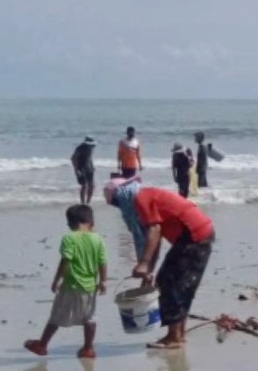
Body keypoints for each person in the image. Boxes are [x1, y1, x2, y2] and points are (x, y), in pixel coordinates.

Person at [106, 179, 215, 350]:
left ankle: (174, 338)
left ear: (122, 194)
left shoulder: (141, 199)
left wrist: (144, 263)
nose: (119, 207)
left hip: (193, 234)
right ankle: (179, 334)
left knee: (170, 285)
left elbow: (154, 230)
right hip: (198, 233)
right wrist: (148, 270)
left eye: (115, 202)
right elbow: (155, 240)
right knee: (181, 284)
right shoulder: (146, 197)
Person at [23, 204, 108, 358]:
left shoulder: (69, 238)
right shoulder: (98, 239)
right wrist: (103, 281)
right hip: (90, 286)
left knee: (56, 316)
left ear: (71, 223)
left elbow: (66, 260)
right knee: (90, 318)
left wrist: (57, 279)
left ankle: (42, 344)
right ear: (91, 221)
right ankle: (88, 348)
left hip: (71, 285)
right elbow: (102, 262)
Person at [71, 136, 96, 204]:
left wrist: (92, 165)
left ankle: (88, 202)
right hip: (81, 168)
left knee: (92, 185)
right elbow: (73, 158)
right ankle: (82, 202)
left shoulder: (92, 147)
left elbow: (90, 157)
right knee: (84, 186)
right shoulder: (80, 148)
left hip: (90, 168)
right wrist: (76, 170)